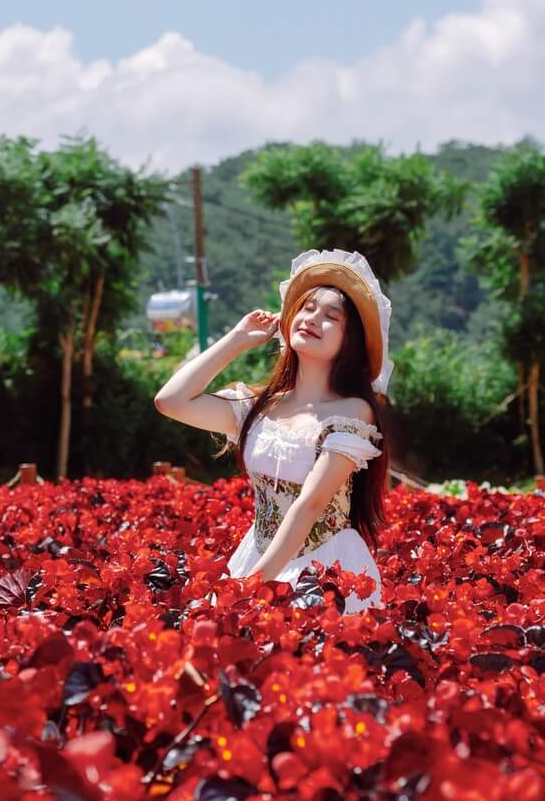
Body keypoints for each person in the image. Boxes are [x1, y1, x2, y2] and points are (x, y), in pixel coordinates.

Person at [153, 249, 392, 613]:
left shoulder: (352, 413)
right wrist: (237, 338)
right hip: (257, 554)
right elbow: (170, 401)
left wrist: (252, 586)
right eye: (307, 308)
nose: (312, 318)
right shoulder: (259, 407)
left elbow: (309, 506)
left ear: (350, 341)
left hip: (324, 570)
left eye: (331, 316)